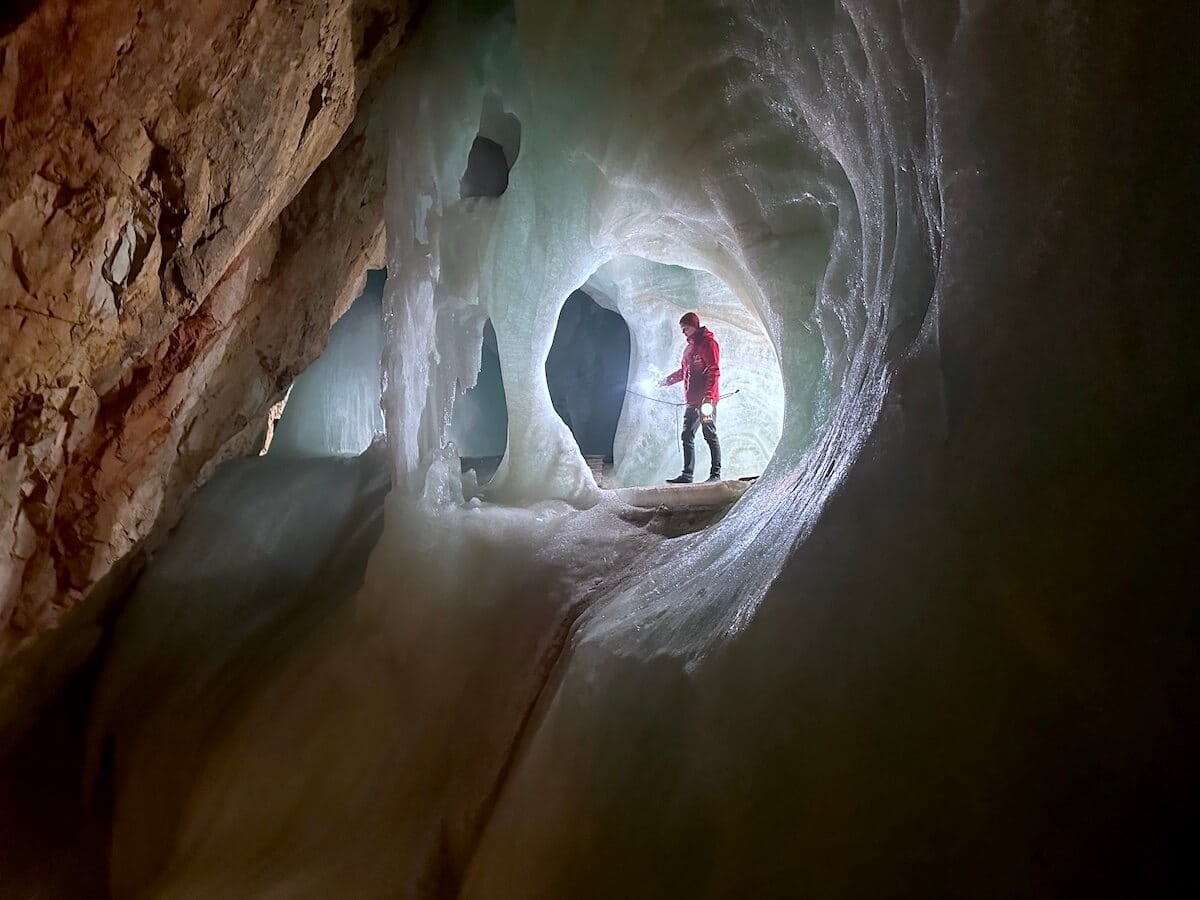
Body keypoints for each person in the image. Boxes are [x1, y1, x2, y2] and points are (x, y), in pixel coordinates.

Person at [658, 311, 721, 483]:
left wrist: (708, 396)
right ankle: (687, 475)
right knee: (687, 435)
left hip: (706, 401)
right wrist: (667, 380)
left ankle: (715, 475)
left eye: (685, 328)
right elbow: (683, 372)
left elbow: (714, 371)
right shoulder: (689, 348)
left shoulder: (708, 344)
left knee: (709, 433)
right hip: (692, 401)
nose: (683, 332)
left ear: (693, 326)